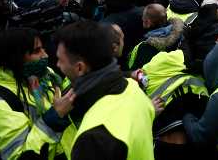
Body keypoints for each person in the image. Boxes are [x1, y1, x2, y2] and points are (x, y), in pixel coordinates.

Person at [54, 21, 155, 160]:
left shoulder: (92, 138)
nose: (57, 65)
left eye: (60, 60)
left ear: (79, 68)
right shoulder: (133, 87)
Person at [0, 28, 74, 160]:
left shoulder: (44, 74)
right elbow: (19, 156)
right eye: (37, 51)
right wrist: (53, 118)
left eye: (43, 49)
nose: (45, 55)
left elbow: (64, 94)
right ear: (15, 58)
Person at [128, 4, 184, 70]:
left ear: (148, 22)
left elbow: (138, 70)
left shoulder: (145, 47)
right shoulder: (181, 34)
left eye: (143, 19)